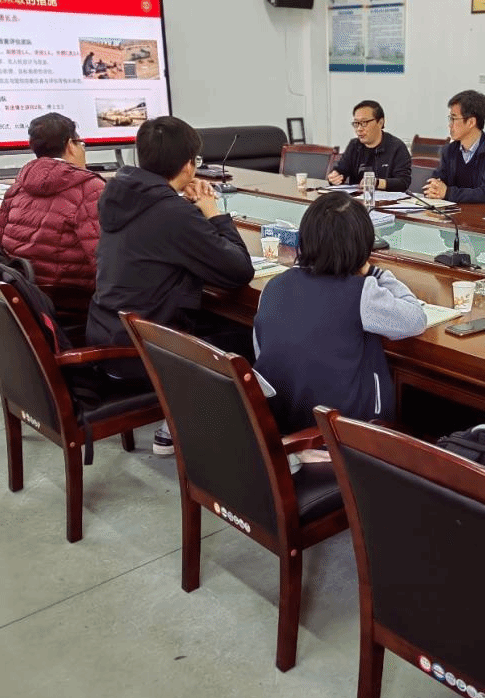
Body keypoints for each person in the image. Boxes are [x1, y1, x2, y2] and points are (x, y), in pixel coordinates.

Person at [86, 115, 254, 454]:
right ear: (189, 164)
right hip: (143, 349)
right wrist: (212, 212)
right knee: (252, 335)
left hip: (108, 330)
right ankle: (191, 427)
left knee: (220, 319)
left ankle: (184, 414)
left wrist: (185, 208)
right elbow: (238, 270)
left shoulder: (121, 194)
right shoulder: (171, 213)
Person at [253, 192, 426, 434]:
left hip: (284, 427)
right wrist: (374, 272)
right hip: (347, 434)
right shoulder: (361, 292)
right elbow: (416, 319)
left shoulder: (273, 287)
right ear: (362, 248)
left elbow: (263, 352)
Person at [0, 113, 104, 318]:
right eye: (81, 143)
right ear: (70, 145)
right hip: (73, 300)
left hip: (25, 295)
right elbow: (105, 260)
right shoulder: (89, 188)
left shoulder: (18, 184)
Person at [423, 90, 485, 205]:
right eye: (450, 119)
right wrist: (433, 189)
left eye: (454, 119)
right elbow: (436, 183)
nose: (450, 125)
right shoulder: (449, 150)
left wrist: (448, 193)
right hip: (455, 213)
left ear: (471, 122)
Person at [327, 100, 412, 192]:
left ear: (380, 123)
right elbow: (341, 171)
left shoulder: (397, 147)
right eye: (356, 123)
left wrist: (376, 183)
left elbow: (403, 182)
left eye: (364, 123)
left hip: (386, 199)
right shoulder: (354, 145)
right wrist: (334, 177)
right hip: (357, 199)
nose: (359, 129)